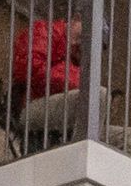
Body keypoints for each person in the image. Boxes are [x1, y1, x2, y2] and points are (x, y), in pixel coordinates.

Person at [7, 13, 84, 151]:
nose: (82, 43)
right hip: (31, 106)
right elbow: (28, 69)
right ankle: (79, 149)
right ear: (76, 19)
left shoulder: (78, 60)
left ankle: (83, 146)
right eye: (84, 34)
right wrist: (72, 81)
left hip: (60, 118)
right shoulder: (43, 31)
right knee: (96, 95)